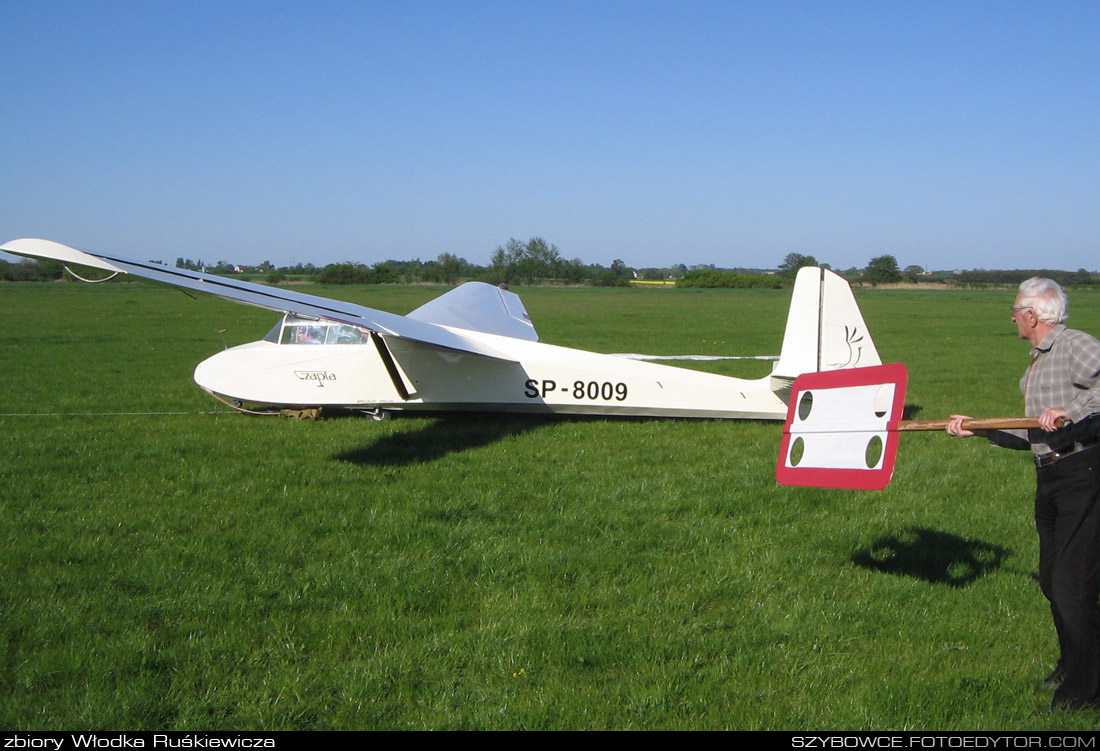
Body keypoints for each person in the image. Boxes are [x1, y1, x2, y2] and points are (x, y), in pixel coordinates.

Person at [947, 277, 1100, 711]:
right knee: (1053, 582)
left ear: (1032, 315)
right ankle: (1074, 667)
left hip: (1083, 470)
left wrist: (1070, 411)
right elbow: (1033, 431)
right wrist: (978, 427)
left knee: (1072, 586)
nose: (1012, 317)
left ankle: (1085, 695)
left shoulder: (1075, 345)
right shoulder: (1035, 364)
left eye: (1015, 310)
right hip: (1048, 475)